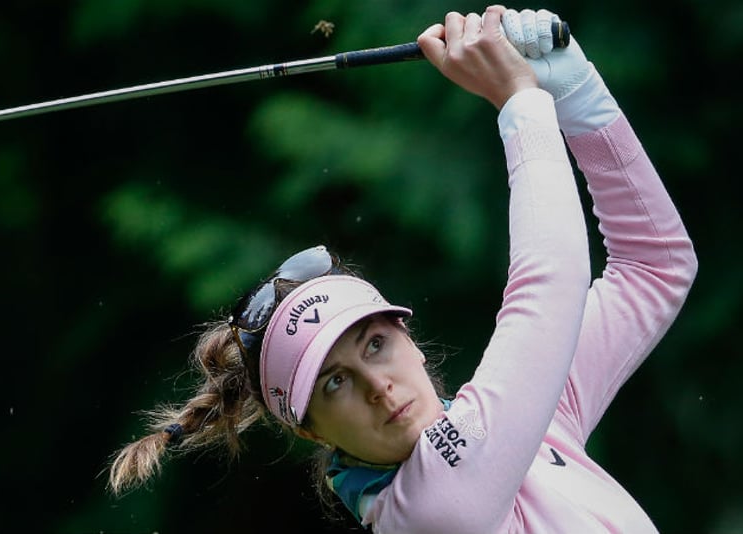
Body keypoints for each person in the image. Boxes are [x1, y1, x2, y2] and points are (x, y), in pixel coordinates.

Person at [106, 5, 698, 532]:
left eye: (373, 345)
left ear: (407, 337)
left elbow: (655, 265)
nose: (376, 386)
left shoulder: (524, 429)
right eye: (334, 383)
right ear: (312, 433)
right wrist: (522, 104)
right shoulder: (433, 511)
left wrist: (577, 92)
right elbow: (550, 288)